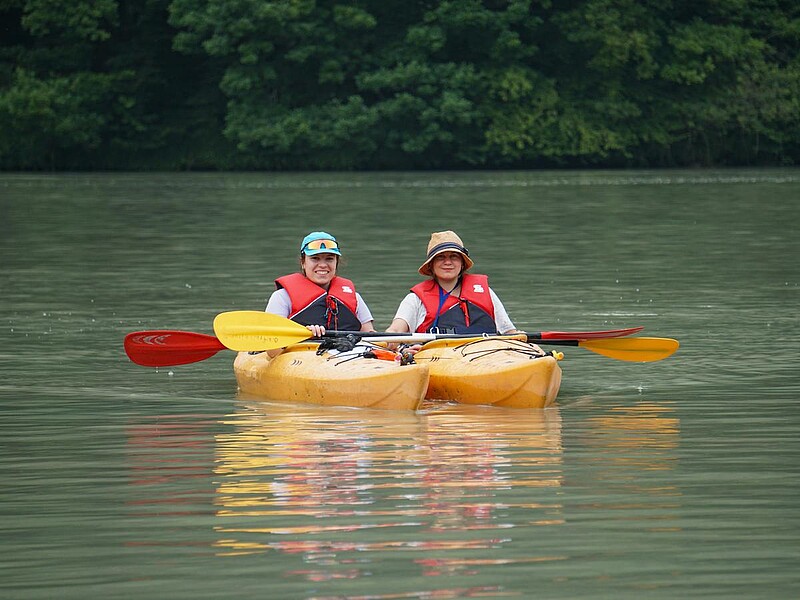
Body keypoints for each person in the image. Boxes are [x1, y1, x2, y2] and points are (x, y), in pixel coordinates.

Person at [386, 230, 528, 337]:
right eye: (440, 257)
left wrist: (518, 336)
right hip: (436, 358)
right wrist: (389, 340)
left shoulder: (484, 292)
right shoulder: (415, 299)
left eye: (454, 257)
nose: (448, 262)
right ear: (431, 265)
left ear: (462, 264)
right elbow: (396, 330)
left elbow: (509, 331)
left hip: (485, 355)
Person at [265, 231, 375, 355]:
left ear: (336, 262)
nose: (322, 265)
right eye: (315, 258)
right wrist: (303, 336)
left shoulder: (355, 298)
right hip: (302, 358)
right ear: (303, 262)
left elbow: (371, 337)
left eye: (329, 259)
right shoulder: (282, 297)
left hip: (349, 355)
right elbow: (272, 351)